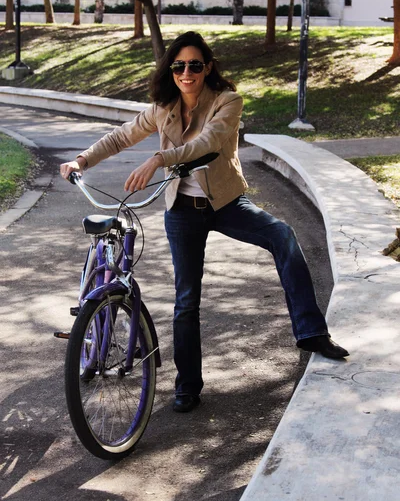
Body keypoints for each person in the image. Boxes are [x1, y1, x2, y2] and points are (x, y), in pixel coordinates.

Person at [60, 31, 349, 413]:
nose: (186, 72)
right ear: (171, 70)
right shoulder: (163, 107)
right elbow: (121, 136)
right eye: (179, 65)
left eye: (195, 65)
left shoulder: (228, 101)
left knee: (283, 235)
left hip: (226, 203)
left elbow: (209, 143)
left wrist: (159, 159)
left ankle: (311, 333)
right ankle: (187, 385)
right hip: (182, 210)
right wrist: (81, 160)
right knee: (186, 300)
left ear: (207, 67)